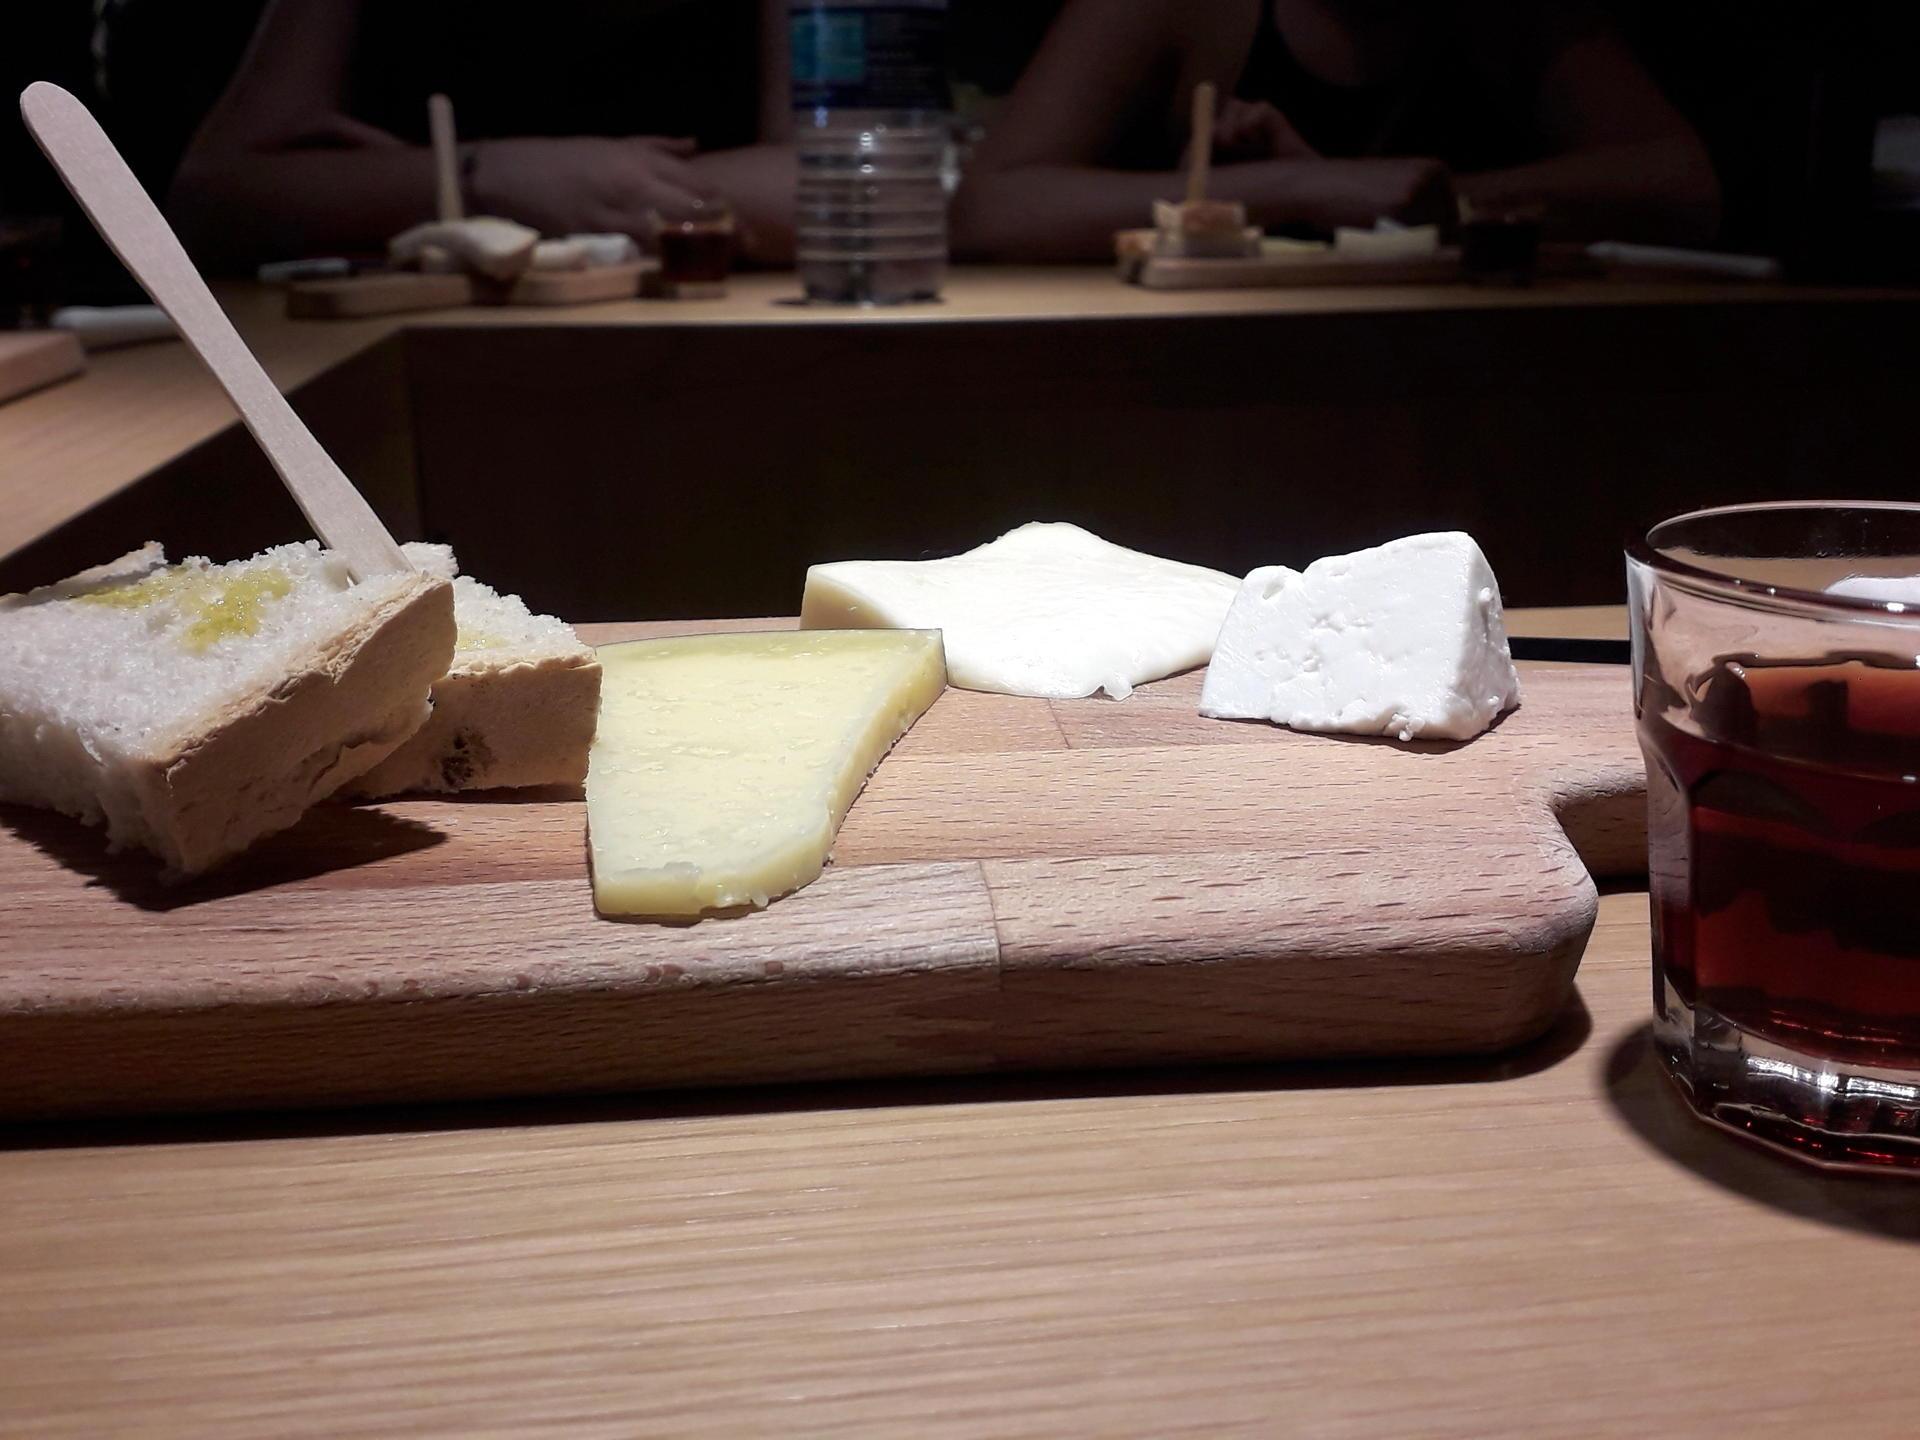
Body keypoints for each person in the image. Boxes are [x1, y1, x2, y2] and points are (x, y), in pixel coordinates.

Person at [952, 0, 1722, 261]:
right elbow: (991, 208)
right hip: (1203, 391)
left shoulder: (1509, 17)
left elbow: (1683, 183)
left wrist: (1439, 200)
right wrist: (1298, 188)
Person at [165, 0, 797, 271]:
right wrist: (499, 182)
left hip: (686, 339)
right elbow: (216, 196)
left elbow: (840, 187)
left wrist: (601, 186)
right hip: (387, 352)